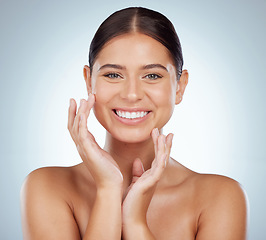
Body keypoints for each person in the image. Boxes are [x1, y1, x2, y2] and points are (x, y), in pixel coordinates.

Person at [20, 7, 248, 240]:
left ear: (180, 86)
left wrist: (136, 223)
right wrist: (108, 189)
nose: (131, 94)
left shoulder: (220, 197)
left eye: (152, 76)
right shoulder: (47, 187)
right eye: (113, 75)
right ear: (89, 82)